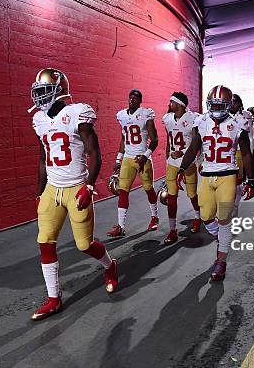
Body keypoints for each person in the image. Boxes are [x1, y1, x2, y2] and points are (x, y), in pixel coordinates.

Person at [29, 68, 118, 321]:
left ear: (59, 90)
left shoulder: (76, 113)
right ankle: (54, 298)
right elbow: (42, 158)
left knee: (84, 245)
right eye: (37, 91)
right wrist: (38, 192)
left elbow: (95, 154)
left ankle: (110, 266)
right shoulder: (39, 120)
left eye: (44, 90)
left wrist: (89, 186)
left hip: (76, 187)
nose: (39, 96)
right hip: (51, 190)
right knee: (45, 241)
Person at [177, 85, 254, 281]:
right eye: (214, 104)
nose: (217, 108)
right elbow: (194, 147)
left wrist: (251, 180)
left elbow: (246, 154)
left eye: (221, 104)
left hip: (228, 175)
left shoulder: (238, 123)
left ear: (229, 105)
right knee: (206, 216)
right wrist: (181, 168)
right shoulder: (201, 121)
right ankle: (223, 240)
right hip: (206, 175)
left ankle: (221, 262)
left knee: (224, 219)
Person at [108, 89, 159, 237]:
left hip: (142, 157)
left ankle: (154, 217)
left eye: (135, 98)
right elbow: (123, 139)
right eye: (130, 97)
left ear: (140, 101)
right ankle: (121, 226)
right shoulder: (122, 115)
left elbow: (154, 140)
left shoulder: (146, 114)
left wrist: (145, 156)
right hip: (128, 158)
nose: (132, 100)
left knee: (149, 188)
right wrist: (118, 159)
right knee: (123, 190)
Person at [161, 92, 201, 244]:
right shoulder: (167, 118)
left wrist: (183, 153)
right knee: (172, 197)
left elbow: (197, 144)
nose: (169, 104)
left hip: (188, 162)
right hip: (172, 162)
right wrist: (167, 156)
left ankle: (197, 217)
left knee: (192, 194)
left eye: (172, 101)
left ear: (179, 104)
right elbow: (168, 140)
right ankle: (173, 230)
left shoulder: (193, 118)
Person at [230, 94, 254, 218]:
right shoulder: (222, 115)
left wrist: (252, 150)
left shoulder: (244, 116)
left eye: (234, 102)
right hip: (225, 152)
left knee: (237, 182)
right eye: (230, 101)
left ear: (239, 103)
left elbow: (249, 135)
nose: (232, 104)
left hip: (239, 151)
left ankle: (235, 207)